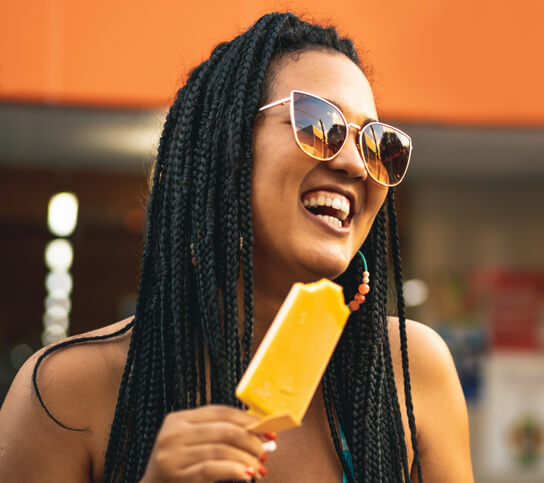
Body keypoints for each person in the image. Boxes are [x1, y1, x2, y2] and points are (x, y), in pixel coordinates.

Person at [0, 12, 472, 482]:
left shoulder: (414, 372)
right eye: (317, 123)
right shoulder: (66, 393)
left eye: (375, 143)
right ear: (227, 150)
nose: (354, 163)